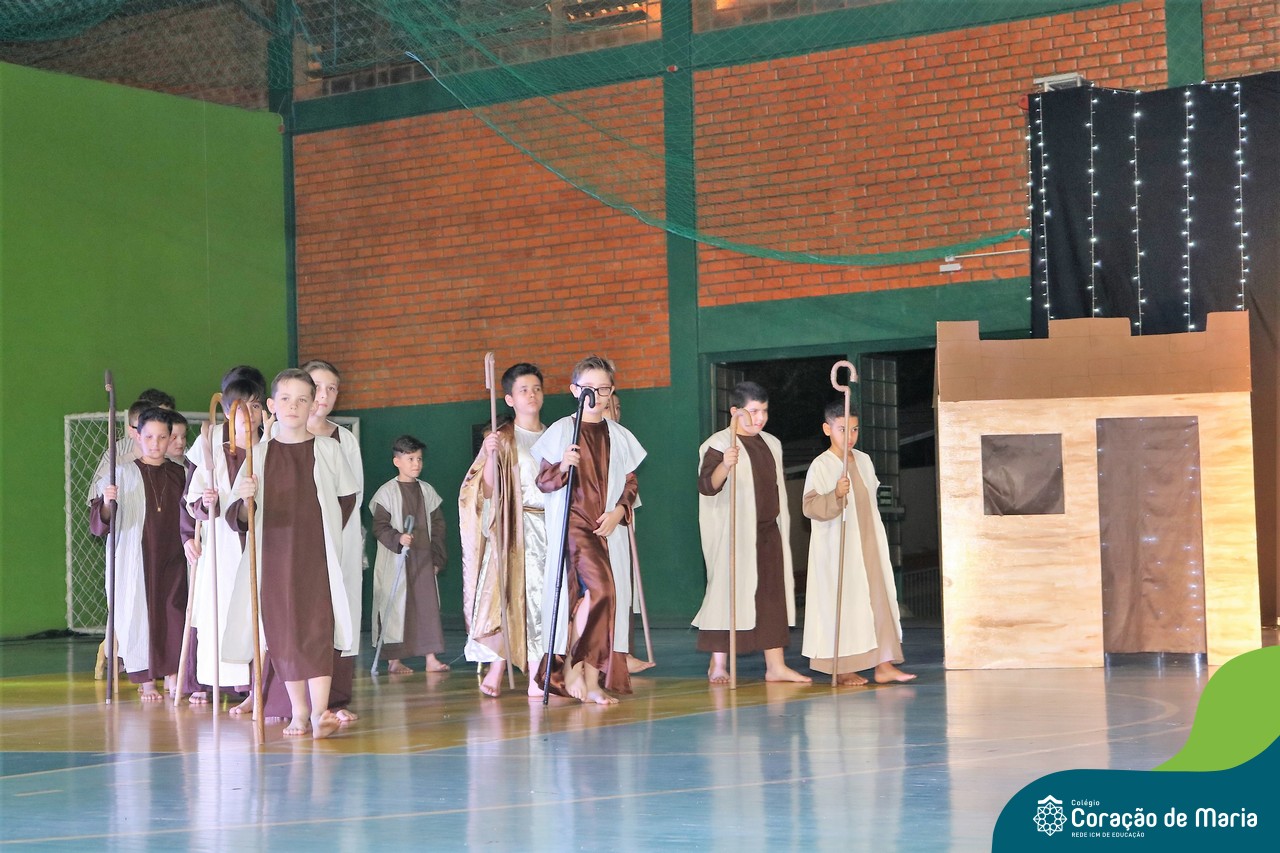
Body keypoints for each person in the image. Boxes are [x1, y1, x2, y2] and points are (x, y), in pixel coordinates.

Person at [225, 369, 358, 739]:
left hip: (316, 557)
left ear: (313, 404)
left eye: (302, 399)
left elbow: (346, 498)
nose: (293, 406)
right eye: (285, 399)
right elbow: (237, 516)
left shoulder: (329, 449)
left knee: (317, 628)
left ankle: (319, 711)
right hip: (274, 558)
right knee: (283, 632)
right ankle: (299, 712)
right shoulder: (259, 455)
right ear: (272, 405)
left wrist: (323, 530)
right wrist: (246, 499)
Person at [532, 355, 645, 705]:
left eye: (604, 389)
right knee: (603, 591)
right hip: (575, 527)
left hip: (606, 527)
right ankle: (571, 668)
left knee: (605, 598)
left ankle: (591, 680)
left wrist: (619, 511)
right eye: (588, 389)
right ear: (574, 391)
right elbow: (544, 481)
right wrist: (563, 466)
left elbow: (630, 483)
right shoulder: (561, 431)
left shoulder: (618, 435)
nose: (596, 396)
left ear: (612, 391)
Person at [693, 381, 810, 684]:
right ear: (735, 412)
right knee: (726, 594)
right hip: (734, 536)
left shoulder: (772, 443)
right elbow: (707, 485)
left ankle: (776, 665)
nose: (760, 418)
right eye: (753, 411)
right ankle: (718, 664)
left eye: (764, 411)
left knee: (772, 596)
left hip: (768, 531)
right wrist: (725, 465)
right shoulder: (719, 443)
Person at [801, 401, 915, 685]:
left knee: (878, 601)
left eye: (854, 429)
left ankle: (884, 664)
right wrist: (835, 496)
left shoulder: (864, 460)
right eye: (842, 429)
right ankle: (843, 668)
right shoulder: (821, 465)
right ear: (827, 429)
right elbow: (810, 507)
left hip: (868, 542)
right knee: (845, 605)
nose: (850, 436)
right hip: (838, 548)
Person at [459, 363, 548, 698]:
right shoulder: (504, 438)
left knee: (541, 599)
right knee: (507, 596)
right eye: (524, 390)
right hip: (514, 528)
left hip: (547, 526)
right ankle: (506, 667)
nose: (532, 395)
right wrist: (489, 454)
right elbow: (486, 490)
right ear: (509, 399)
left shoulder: (554, 434)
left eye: (536, 388)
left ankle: (540, 670)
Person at [90, 407, 188, 701]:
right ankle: (146, 680)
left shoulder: (181, 473)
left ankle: (174, 674)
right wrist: (108, 502)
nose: (155, 444)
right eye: (149, 437)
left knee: (174, 613)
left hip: (174, 556)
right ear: (137, 436)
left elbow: (192, 512)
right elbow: (101, 523)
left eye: (162, 437)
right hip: (137, 556)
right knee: (139, 614)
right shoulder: (121, 473)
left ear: (170, 438)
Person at [184, 373, 264, 705]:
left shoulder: (270, 446)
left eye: (255, 407)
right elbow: (192, 500)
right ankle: (225, 682)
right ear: (229, 412)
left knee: (257, 614)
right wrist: (206, 503)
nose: (249, 415)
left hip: (260, 544)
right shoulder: (213, 448)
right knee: (219, 611)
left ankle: (259, 687)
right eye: (240, 408)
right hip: (221, 547)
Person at [301, 359, 365, 724]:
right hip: (295, 544)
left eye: (332, 389)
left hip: (338, 540)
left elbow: (353, 493)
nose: (323, 395)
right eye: (317, 387)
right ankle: (288, 701)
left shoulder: (344, 439)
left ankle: (334, 699)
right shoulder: (277, 433)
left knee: (340, 612)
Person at [369, 435, 449, 675]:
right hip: (396, 561)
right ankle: (394, 660)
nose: (416, 464)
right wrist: (398, 538)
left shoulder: (427, 491)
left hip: (423, 560)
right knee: (394, 606)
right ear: (397, 461)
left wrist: (437, 558)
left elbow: (438, 527)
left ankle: (430, 657)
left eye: (419, 459)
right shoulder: (385, 493)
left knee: (427, 607)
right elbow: (379, 527)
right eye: (411, 459)